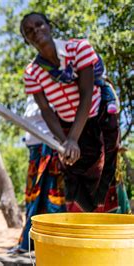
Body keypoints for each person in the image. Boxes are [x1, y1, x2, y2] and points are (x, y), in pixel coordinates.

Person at [20, 12, 130, 213]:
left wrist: (73, 139)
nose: (36, 31)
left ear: (49, 25)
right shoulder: (32, 73)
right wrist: (64, 144)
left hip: (97, 120)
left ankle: (111, 235)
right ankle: (81, 237)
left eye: (39, 25)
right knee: (75, 185)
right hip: (66, 127)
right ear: (26, 40)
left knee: (104, 179)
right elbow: (46, 111)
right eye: (29, 31)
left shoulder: (78, 48)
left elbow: (87, 93)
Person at [10, 96, 66, 254]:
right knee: (32, 198)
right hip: (35, 149)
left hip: (50, 147)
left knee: (52, 198)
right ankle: (29, 243)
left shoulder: (55, 81)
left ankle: (54, 245)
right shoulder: (33, 88)